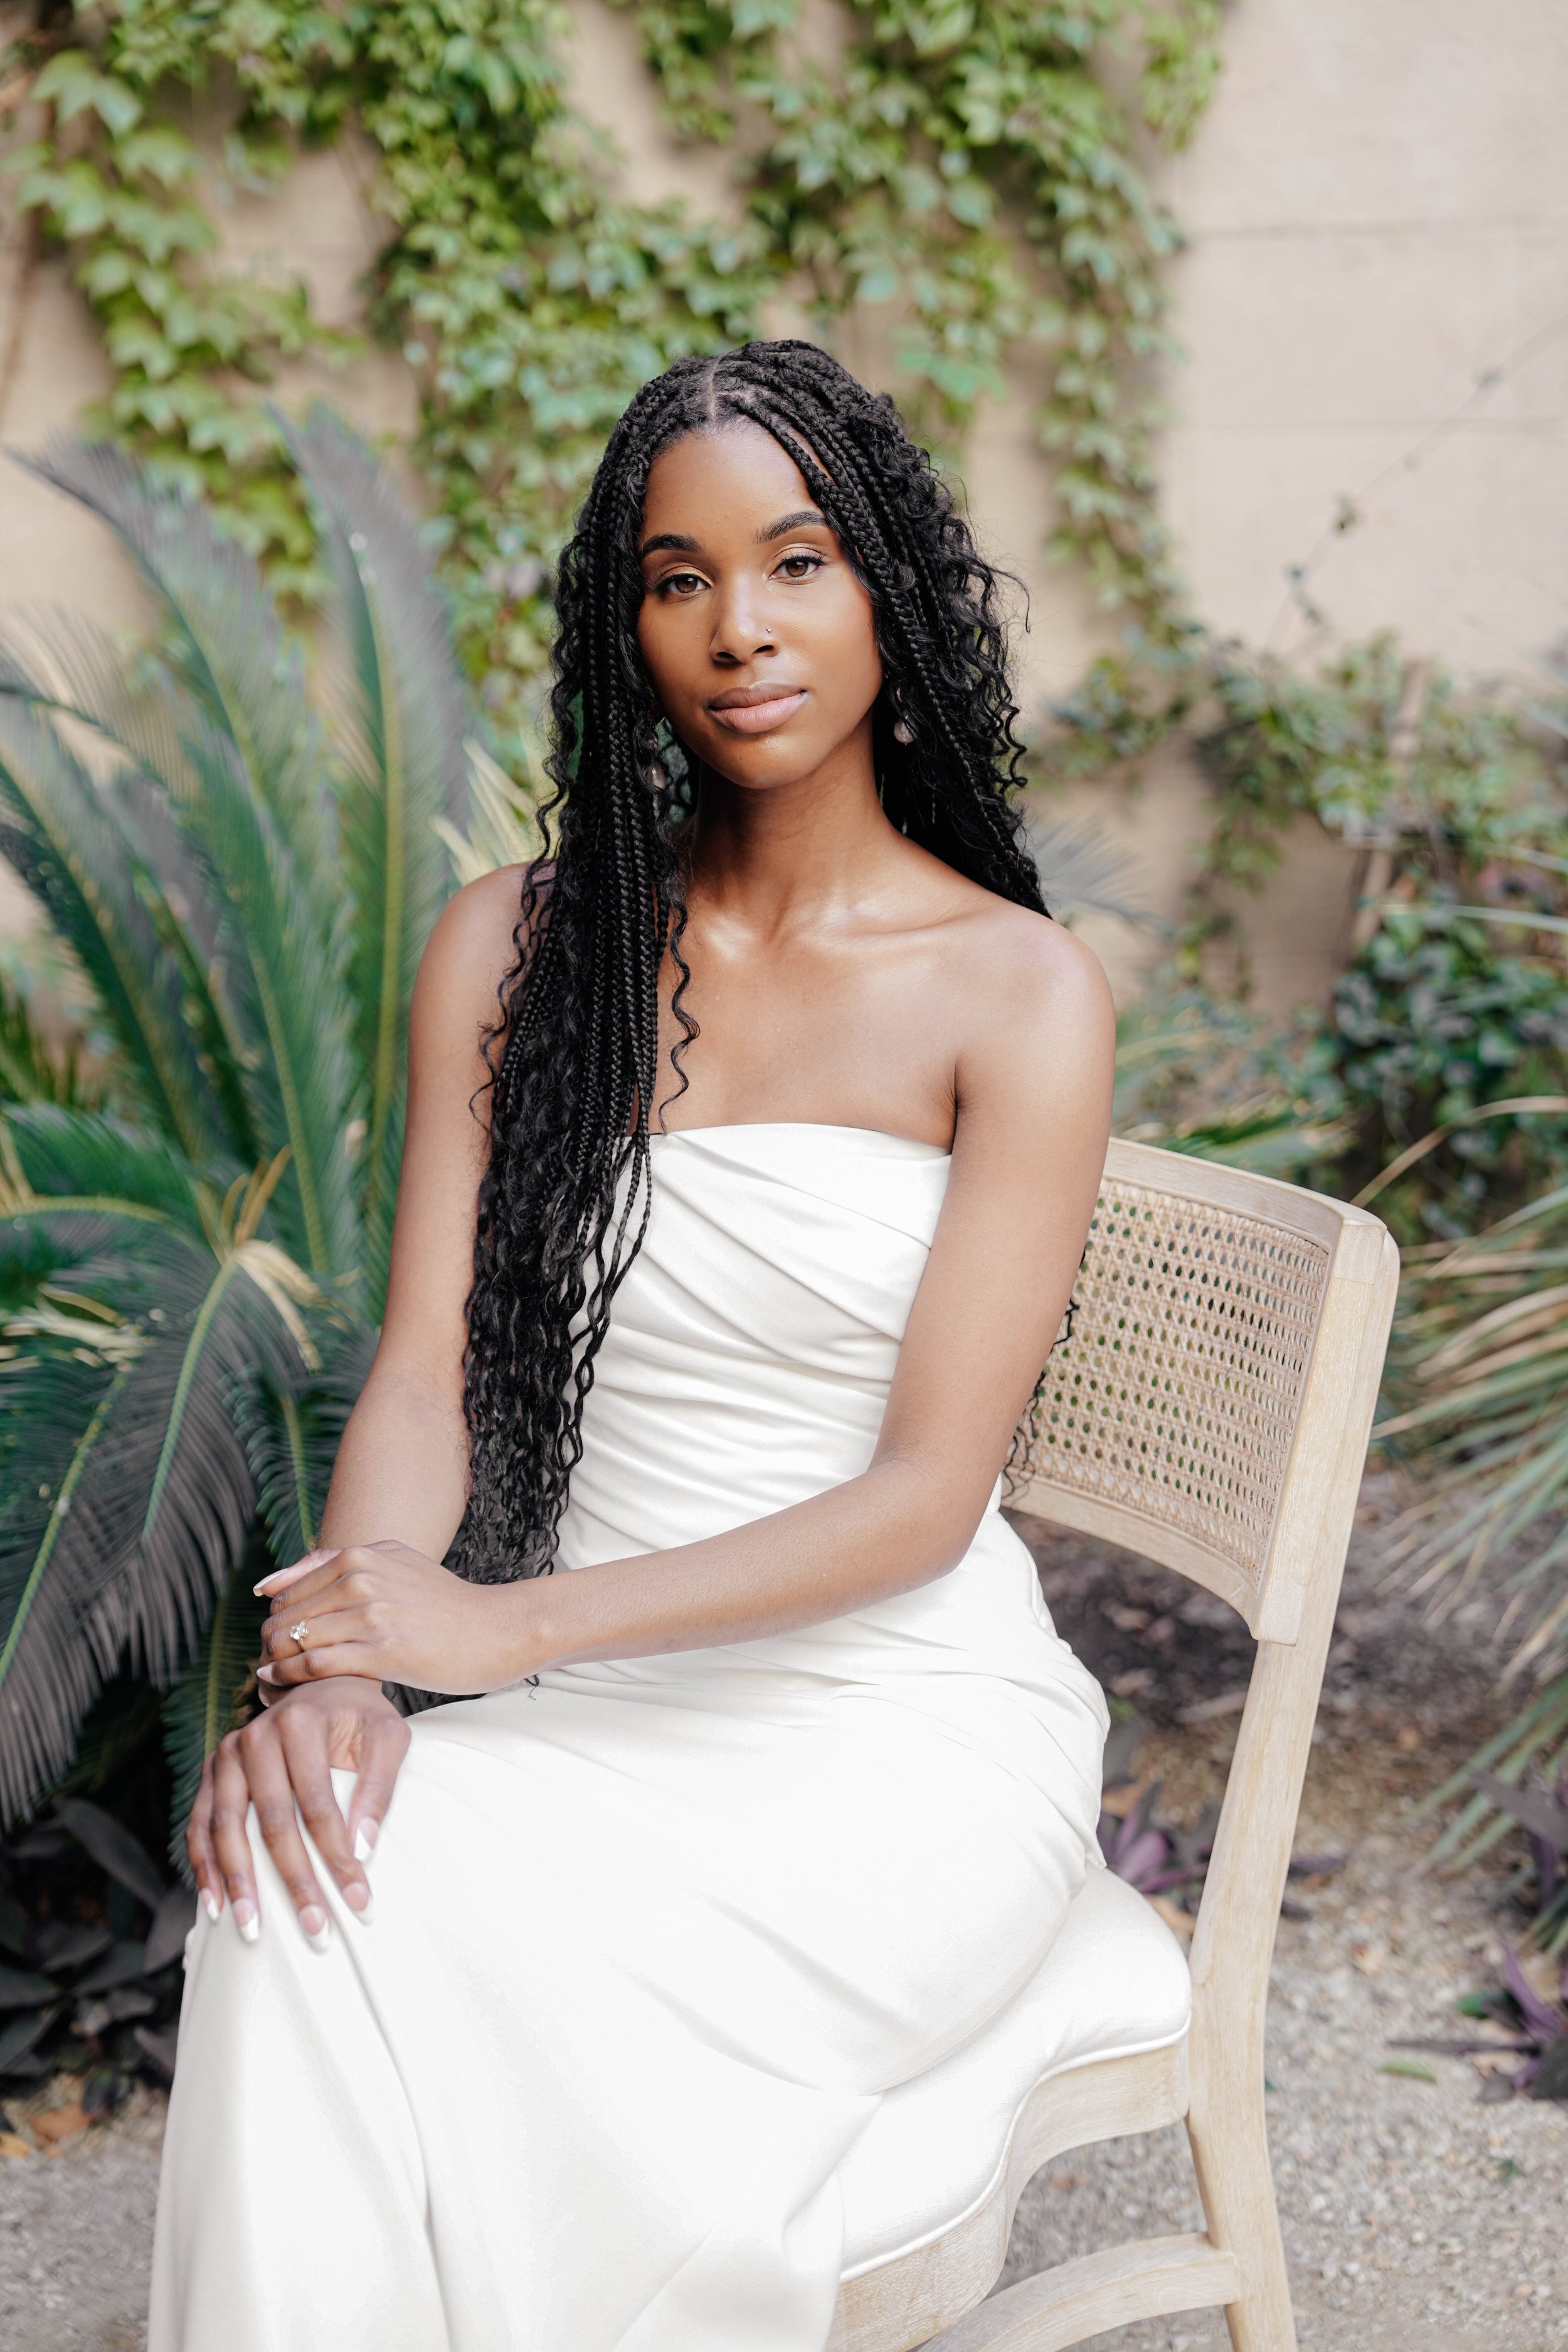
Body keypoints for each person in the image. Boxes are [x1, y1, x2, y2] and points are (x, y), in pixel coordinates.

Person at [149, 339, 1115, 2352]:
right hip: (592, 1721)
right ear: (625, 625)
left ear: (888, 596)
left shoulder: (1011, 996)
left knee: (345, 1904)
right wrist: (347, 1670)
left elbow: (927, 1501)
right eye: (676, 579)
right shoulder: (517, 951)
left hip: (891, 1741)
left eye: (796, 561)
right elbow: (420, 1368)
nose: (737, 629)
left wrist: (488, 1638)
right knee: (295, 1868)